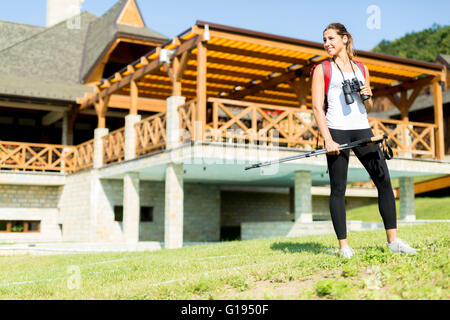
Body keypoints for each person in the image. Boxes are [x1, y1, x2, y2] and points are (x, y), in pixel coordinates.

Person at [311, 23, 417, 258]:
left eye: (331, 38)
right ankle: (344, 247)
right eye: (324, 39)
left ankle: (393, 241)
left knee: (384, 181)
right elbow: (317, 108)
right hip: (336, 131)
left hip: (362, 130)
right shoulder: (322, 69)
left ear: (345, 39)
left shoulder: (362, 68)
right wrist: (327, 139)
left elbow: (367, 107)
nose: (326, 43)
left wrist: (367, 96)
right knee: (338, 189)